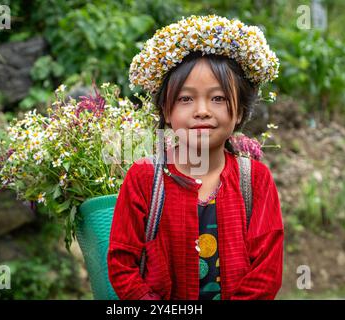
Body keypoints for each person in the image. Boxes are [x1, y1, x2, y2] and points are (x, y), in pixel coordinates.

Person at [107, 15, 284, 300]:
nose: (202, 110)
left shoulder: (256, 181)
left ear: (238, 112)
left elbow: (266, 274)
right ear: (166, 111)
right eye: (186, 99)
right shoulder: (143, 179)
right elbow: (121, 264)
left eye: (218, 98)